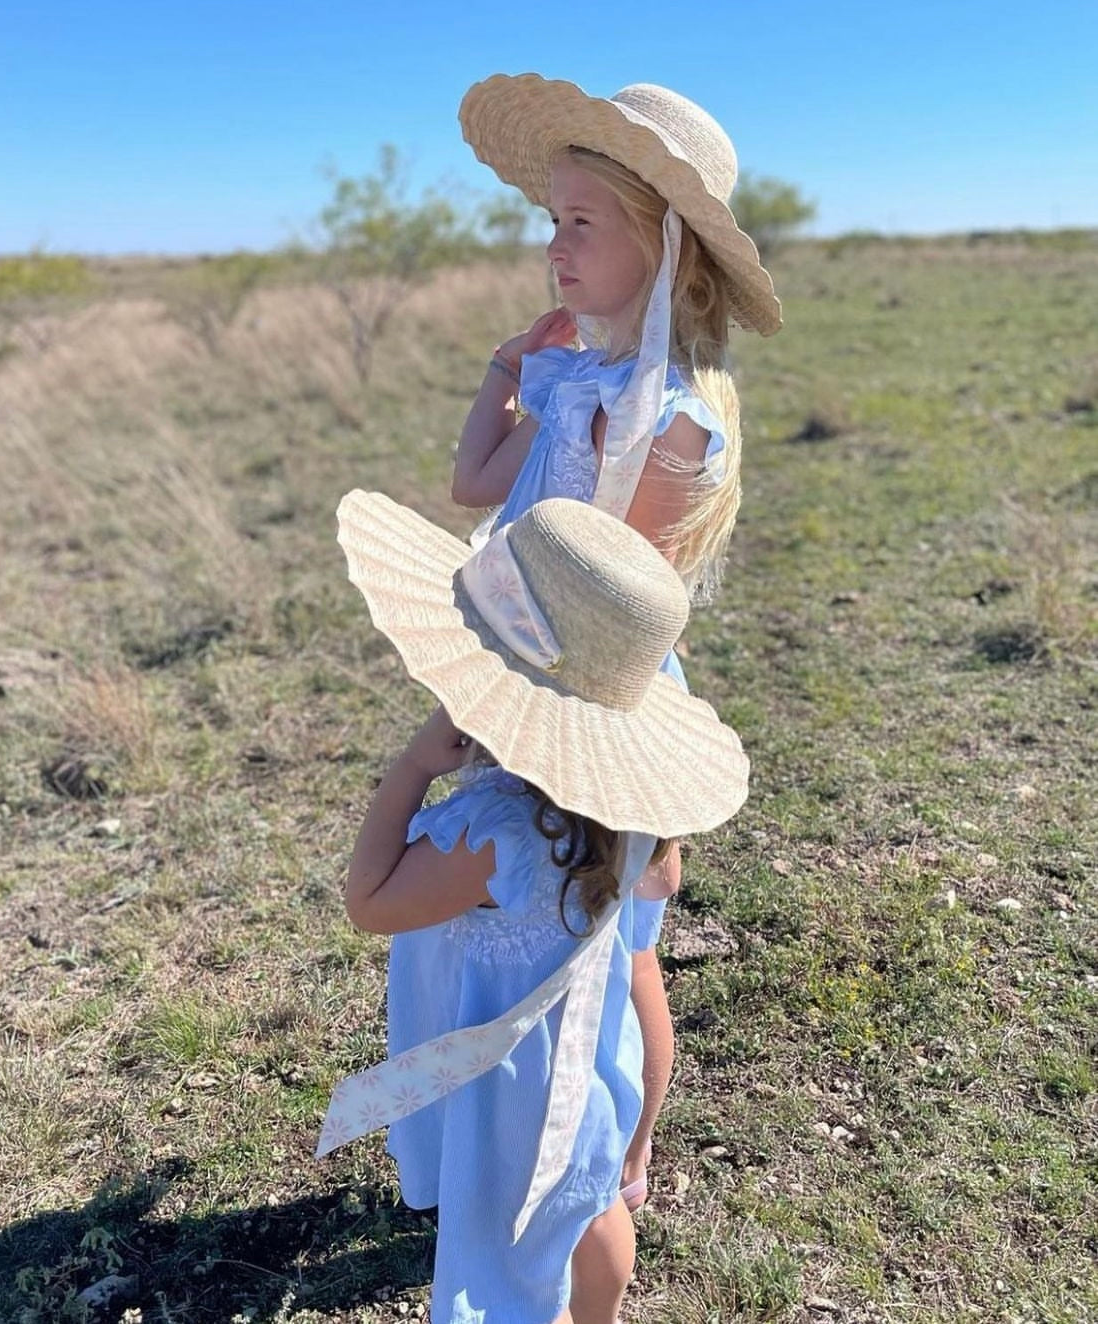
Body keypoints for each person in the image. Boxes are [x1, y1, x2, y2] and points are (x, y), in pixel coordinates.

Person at [450, 74, 782, 1208]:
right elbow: (474, 482)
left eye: (581, 221)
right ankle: (522, 1125)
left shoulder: (672, 419)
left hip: (593, 688)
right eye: (552, 220)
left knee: (621, 937)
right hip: (519, 672)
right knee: (537, 921)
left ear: (668, 248)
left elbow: (615, 608)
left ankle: (623, 1148)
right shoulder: (578, 375)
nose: (555, 245)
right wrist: (510, 370)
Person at [318, 491, 749, 1324]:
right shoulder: (628, 818)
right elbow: (662, 888)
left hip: (510, 1083)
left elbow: (370, 902)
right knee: (591, 1200)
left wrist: (412, 769)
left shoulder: (497, 834)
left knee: (515, 1230)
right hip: (589, 1057)